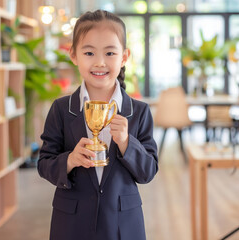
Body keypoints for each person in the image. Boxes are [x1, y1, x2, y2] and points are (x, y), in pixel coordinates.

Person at [38, 9, 158, 240]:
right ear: (74, 55)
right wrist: (70, 160)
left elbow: (148, 171)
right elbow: (44, 163)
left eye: (110, 53)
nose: (100, 62)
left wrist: (125, 142)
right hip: (71, 223)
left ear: (124, 57)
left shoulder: (139, 111)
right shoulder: (62, 109)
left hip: (123, 223)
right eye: (89, 52)